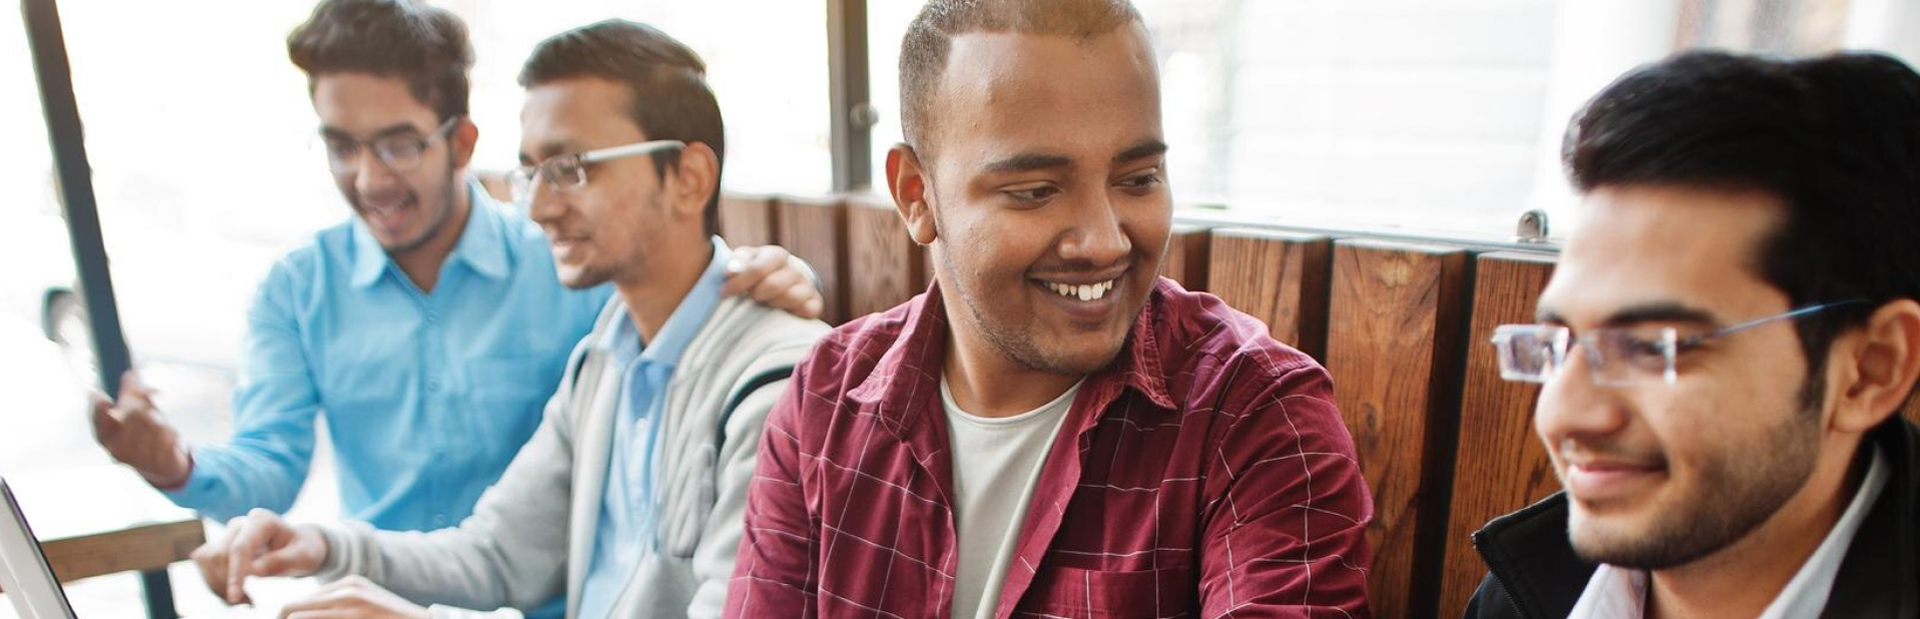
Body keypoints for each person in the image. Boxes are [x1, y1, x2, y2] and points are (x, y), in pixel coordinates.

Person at [724, 1, 1374, 616]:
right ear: (917, 195)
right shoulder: (824, 399)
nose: (1105, 242)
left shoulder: (1257, 415)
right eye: (1035, 191)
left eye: (1138, 179)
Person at [180, 19, 831, 619]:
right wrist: (322, 546)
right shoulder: (605, 358)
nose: (540, 207)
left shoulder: (776, 388)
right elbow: (497, 553)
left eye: (571, 168)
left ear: (689, 178)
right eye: (532, 172)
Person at [1466, 50, 1920, 617]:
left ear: (1871, 370)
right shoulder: (1525, 590)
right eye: (1555, 346)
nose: (1563, 416)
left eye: (1652, 347)